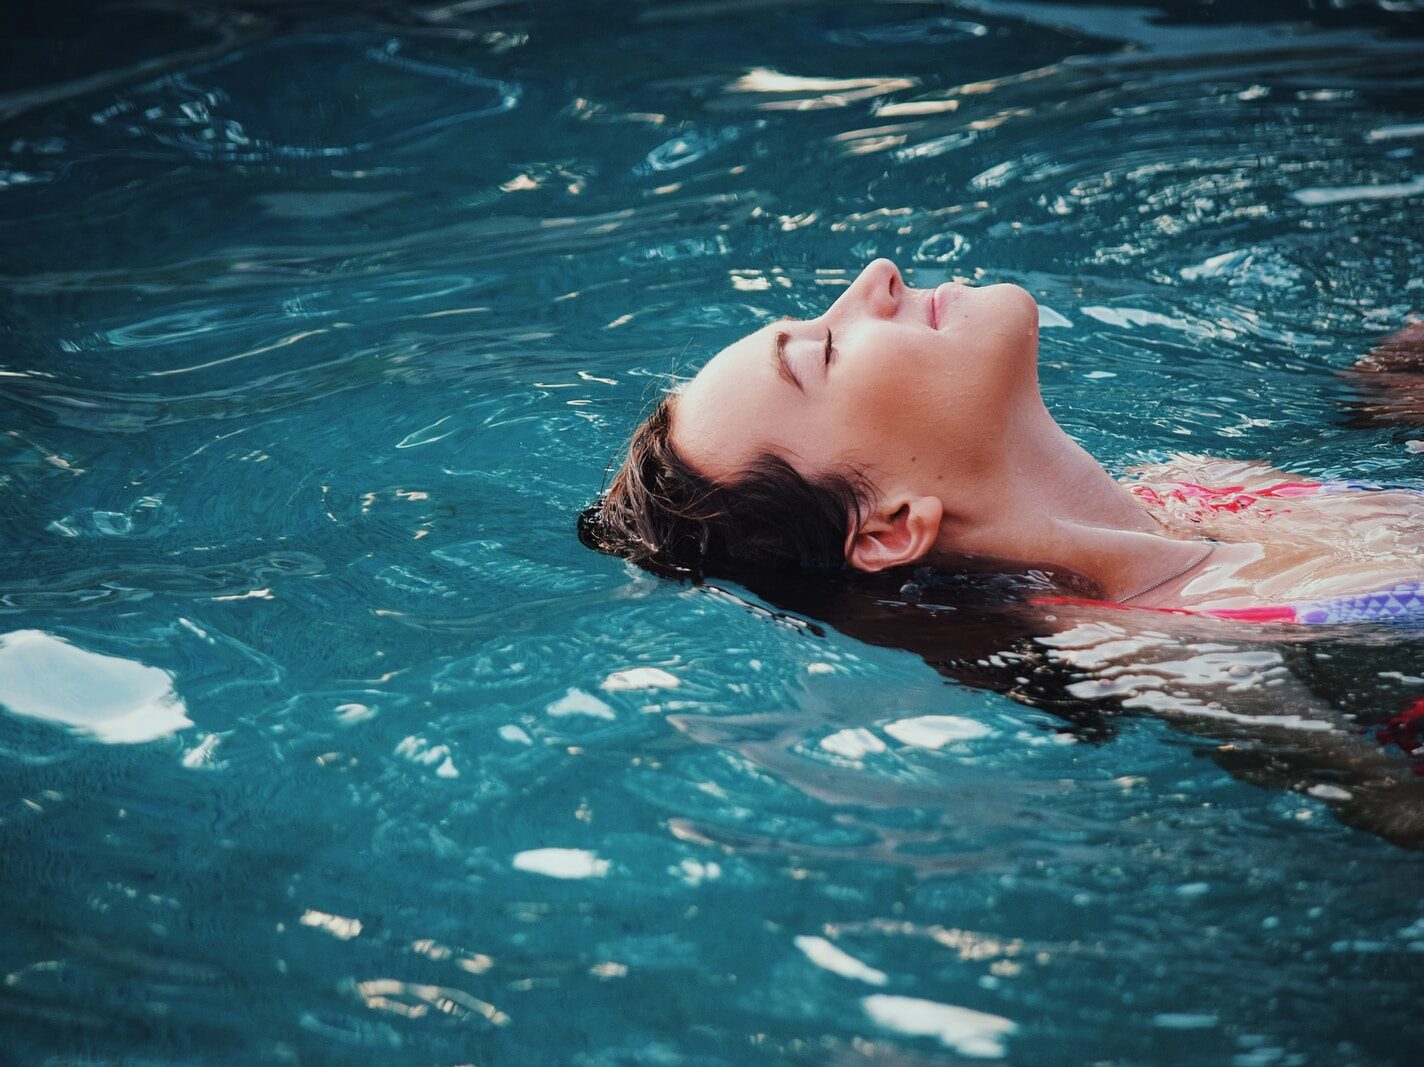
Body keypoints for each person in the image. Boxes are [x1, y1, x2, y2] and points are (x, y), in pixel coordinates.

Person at [580, 258, 1423, 624]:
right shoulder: (1172, 647)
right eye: (826, 351)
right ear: (886, 528)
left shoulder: (1194, 485)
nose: (877, 277)